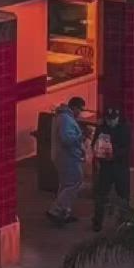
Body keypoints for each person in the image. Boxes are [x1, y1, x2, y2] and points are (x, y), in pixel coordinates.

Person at [91, 103, 131, 231]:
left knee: (124, 195)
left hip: (120, 167)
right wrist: (98, 152)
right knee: (101, 195)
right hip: (105, 168)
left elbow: (127, 148)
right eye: (108, 119)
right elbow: (94, 144)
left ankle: (125, 221)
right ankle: (97, 222)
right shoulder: (102, 128)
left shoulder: (125, 128)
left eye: (113, 119)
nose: (111, 121)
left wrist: (114, 155)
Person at [48, 96, 87, 225]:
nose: (80, 112)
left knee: (66, 184)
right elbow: (67, 139)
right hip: (67, 157)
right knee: (74, 182)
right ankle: (57, 209)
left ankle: (64, 212)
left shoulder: (63, 117)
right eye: (80, 109)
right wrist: (81, 136)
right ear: (74, 107)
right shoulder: (66, 119)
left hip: (63, 156)